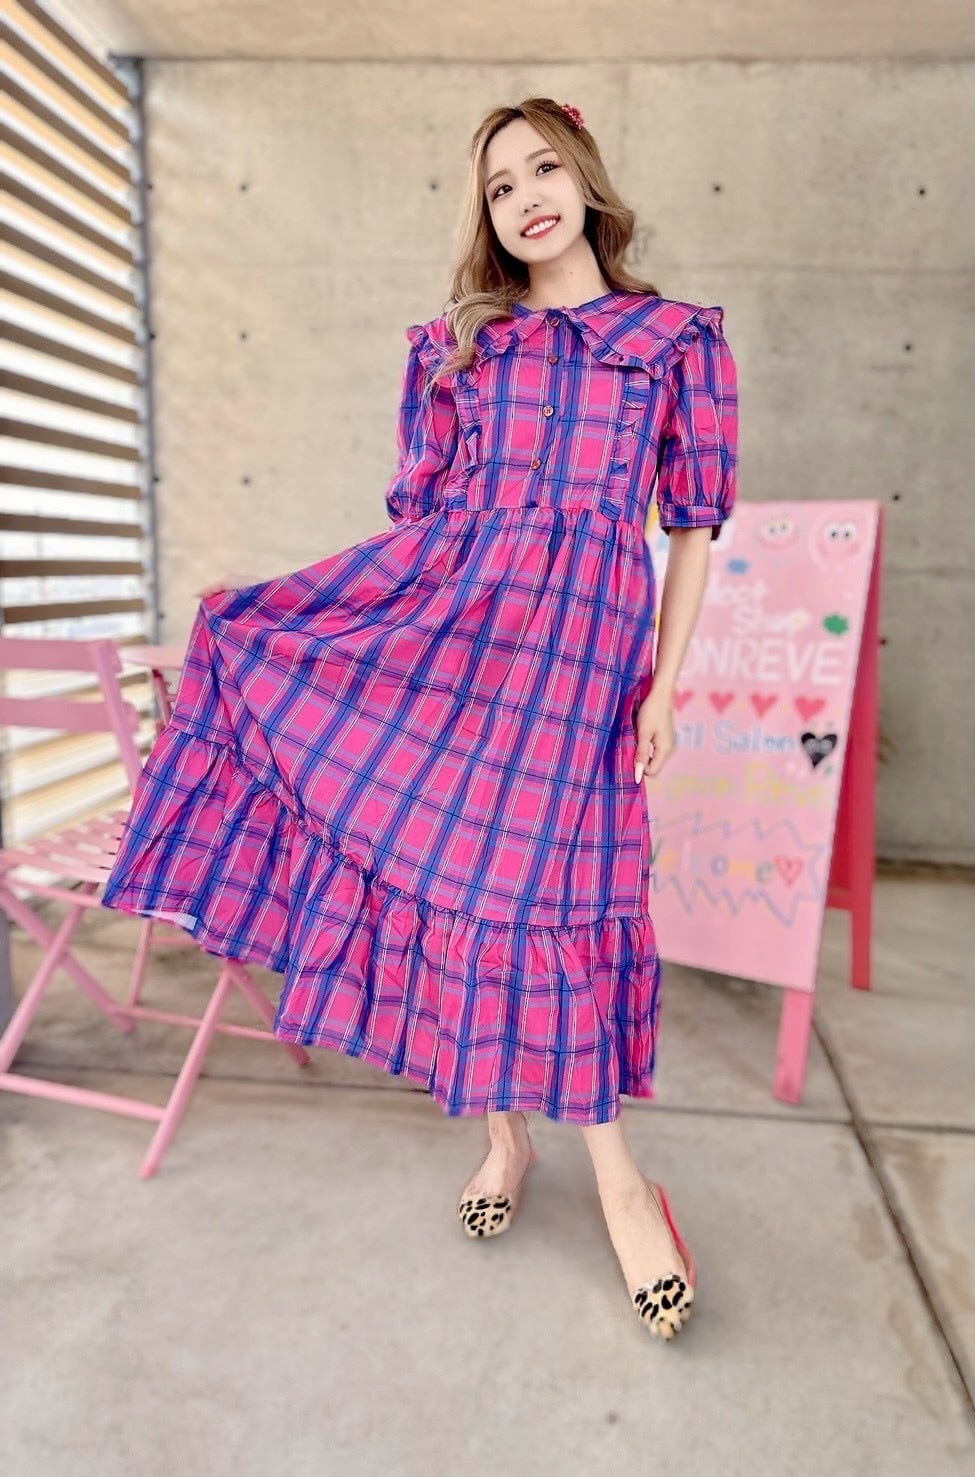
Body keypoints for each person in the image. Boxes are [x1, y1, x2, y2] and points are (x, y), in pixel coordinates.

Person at [102, 97, 738, 1341]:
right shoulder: (461, 350)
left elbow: (694, 529)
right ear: (485, 216)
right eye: (499, 186)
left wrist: (665, 686)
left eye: (543, 168)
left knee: (547, 899)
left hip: (583, 662)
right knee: (464, 884)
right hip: (459, 645)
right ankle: (507, 1140)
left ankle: (622, 1183)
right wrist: (292, 623)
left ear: (586, 179)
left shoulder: (675, 341)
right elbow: (426, 531)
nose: (526, 197)